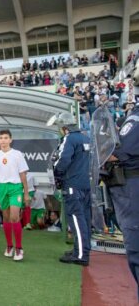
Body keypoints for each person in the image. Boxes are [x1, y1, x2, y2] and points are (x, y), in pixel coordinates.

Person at [107, 81, 139, 298]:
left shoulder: (135, 117)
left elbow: (119, 152)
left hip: (131, 186)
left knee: (136, 249)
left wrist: (103, 154)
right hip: (128, 186)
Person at [48, 112, 91, 266]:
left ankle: (80, 255)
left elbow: (63, 159)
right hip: (85, 184)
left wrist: (57, 173)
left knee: (76, 219)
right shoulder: (86, 138)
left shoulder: (69, 138)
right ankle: (80, 249)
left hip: (72, 184)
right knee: (84, 219)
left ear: (64, 127)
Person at [0, 129, 29, 261]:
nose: (3, 140)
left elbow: (23, 174)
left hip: (15, 188)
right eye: (1, 138)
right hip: (2, 188)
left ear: (10, 140)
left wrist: (26, 193)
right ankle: (9, 246)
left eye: (6, 138)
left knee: (14, 217)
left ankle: (19, 248)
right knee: (5, 218)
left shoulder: (17, 154)